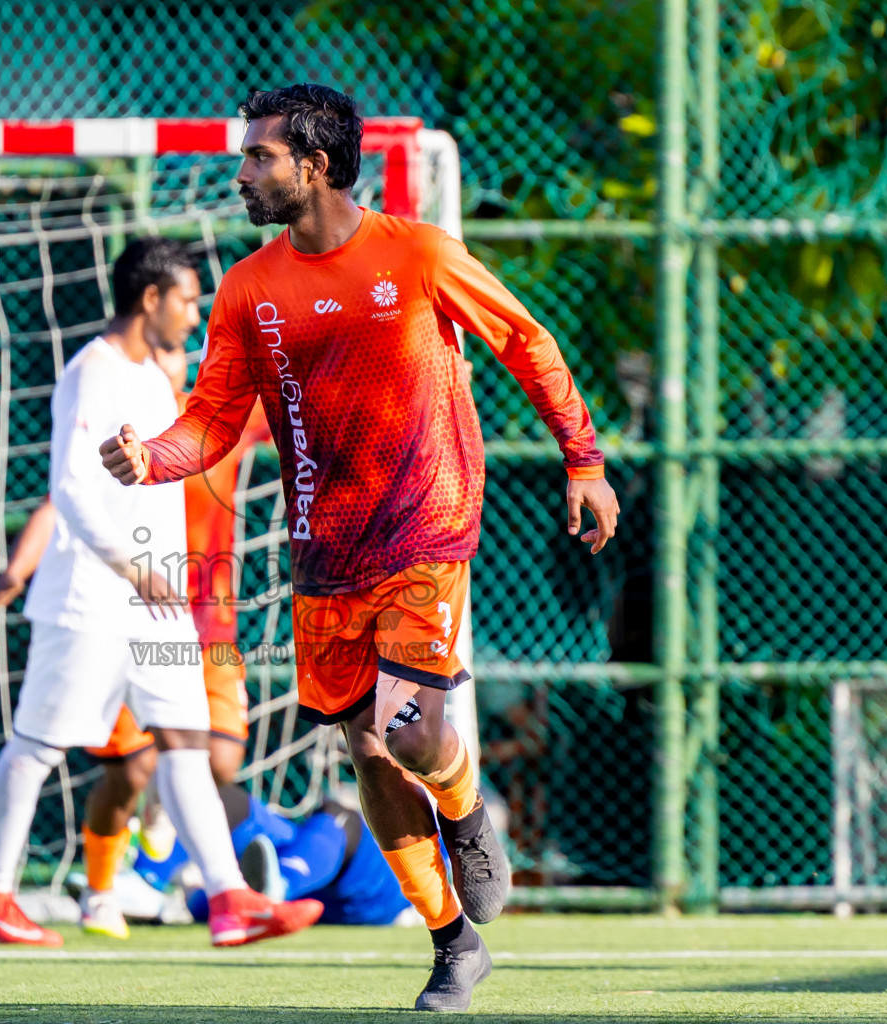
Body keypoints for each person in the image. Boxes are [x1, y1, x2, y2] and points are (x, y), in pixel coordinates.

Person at [100, 85, 620, 1010]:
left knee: (414, 730)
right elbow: (212, 420)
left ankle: (464, 811)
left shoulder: (418, 253)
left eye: (259, 155)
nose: (242, 171)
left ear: (316, 166)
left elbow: (526, 340)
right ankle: (453, 943)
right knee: (370, 752)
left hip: (427, 528)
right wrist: (152, 461)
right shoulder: (249, 288)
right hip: (325, 552)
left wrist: (583, 459)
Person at [0, 235, 322, 949]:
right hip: (92, 600)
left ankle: (231, 899)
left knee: (186, 744)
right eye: (187, 300)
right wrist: (130, 567)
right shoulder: (91, 372)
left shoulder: (155, 382)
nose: (194, 315)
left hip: (159, 602)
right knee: (39, 745)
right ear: (151, 298)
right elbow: (69, 487)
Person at [0, 345, 270, 939]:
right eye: (162, 346)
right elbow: (63, 498)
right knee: (129, 767)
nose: (170, 355)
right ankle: (101, 891)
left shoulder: (221, 417)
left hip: (206, 620)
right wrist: (19, 568)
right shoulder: (125, 423)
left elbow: (304, 395)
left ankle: (175, 867)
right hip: (130, 610)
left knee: (217, 757)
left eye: (178, 349)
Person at [134, 785, 417, 928]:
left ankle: (274, 887)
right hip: (308, 866)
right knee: (218, 796)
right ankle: (148, 884)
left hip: (379, 892)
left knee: (341, 817)